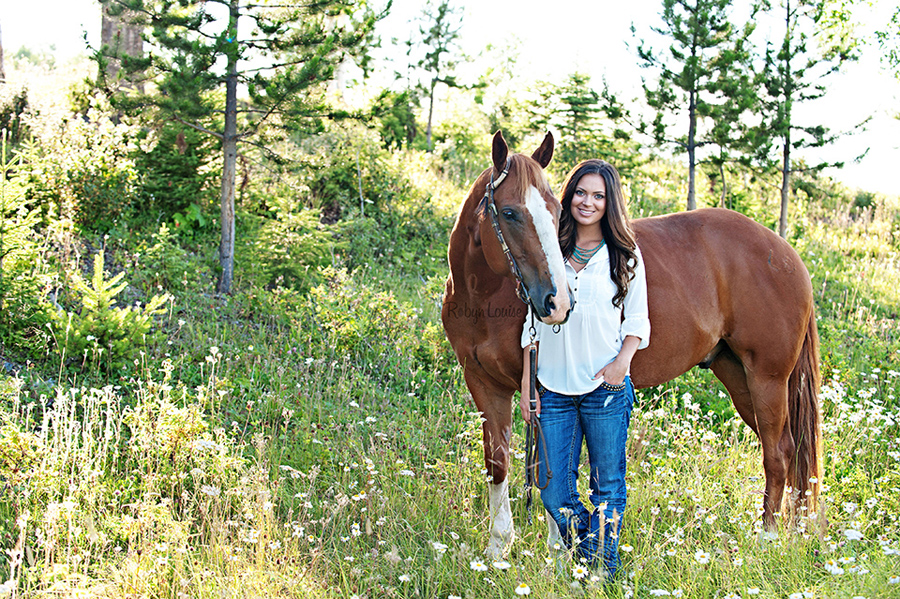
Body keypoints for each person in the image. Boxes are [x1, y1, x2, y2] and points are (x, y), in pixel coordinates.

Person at [520, 159, 650, 580]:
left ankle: (602, 572)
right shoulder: (549, 250)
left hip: (604, 388)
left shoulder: (624, 256)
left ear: (609, 203)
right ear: (568, 195)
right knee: (553, 489)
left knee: (607, 486)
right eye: (580, 192)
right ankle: (592, 553)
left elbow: (637, 320)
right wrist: (527, 383)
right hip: (553, 387)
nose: (587, 202)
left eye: (598, 195)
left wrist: (621, 365)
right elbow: (531, 323)